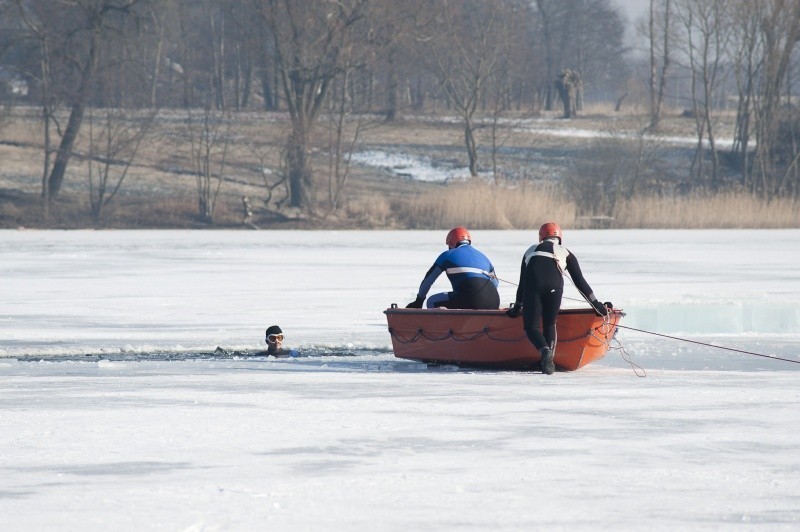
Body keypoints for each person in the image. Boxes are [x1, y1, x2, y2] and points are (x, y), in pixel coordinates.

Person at [506, 222, 612, 375]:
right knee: (549, 323)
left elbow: (522, 284)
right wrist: (597, 306)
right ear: (559, 238)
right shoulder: (565, 252)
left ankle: (545, 351)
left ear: (541, 237)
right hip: (555, 286)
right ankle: (549, 363)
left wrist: (517, 307)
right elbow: (580, 282)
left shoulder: (530, 250)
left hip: (532, 286)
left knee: (531, 327)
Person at [406, 227, 500, 310]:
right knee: (464, 298)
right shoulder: (483, 257)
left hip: (472, 298)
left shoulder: (447, 255)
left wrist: (419, 301)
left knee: (432, 301)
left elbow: (428, 281)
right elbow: (495, 283)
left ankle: (445, 328)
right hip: (494, 301)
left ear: (450, 242)